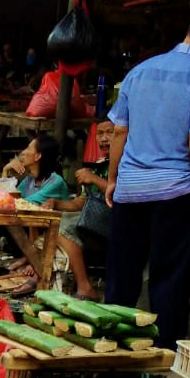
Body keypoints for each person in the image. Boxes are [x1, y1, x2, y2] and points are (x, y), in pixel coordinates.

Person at [106, 4, 190, 349]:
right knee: (170, 281)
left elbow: (119, 132)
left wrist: (113, 179)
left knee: (122, 280)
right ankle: (160, 358)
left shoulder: (140, 71)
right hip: (177, 193)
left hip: (130, 192)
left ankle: (109, 352)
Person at [43, 119, 114, 301]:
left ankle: (85, 286)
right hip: (94, 221)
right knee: (55, 219)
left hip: (115, 225)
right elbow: (80, 204)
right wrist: (56, 203)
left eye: (110, 132)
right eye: (100, 133)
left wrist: (94, 179)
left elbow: (124, 194)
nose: (104, 138)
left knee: (64, 226)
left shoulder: (126, 165)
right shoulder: (98, 165)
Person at [0, 133, 69, 287]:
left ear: (37, 156)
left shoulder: (55, 182)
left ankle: (35, 261)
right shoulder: (30, 180)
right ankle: (29, 257)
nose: (23, 152)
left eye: (28, 148)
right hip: (33, 233)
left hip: (55, 235)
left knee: (33, 216)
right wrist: (6, 171)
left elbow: (21, 204)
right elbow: (8, 199)